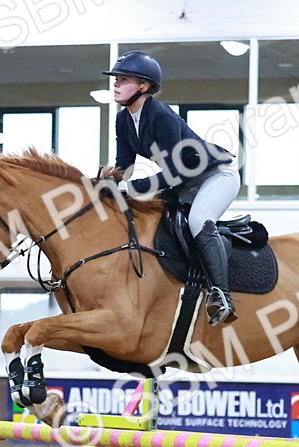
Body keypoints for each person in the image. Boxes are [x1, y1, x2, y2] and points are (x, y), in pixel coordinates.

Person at [103, 50, 240, 325]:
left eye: (123, 79)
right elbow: (124, 167)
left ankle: (221, 295)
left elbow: (174, 173)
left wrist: (130, 187)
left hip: (216, 176)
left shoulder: (160, 115)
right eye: (116, 78)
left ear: (143, 86)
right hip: (184, 181)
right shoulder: (123, 119)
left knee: (199, 220)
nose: (115, 83)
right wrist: (104, 182)